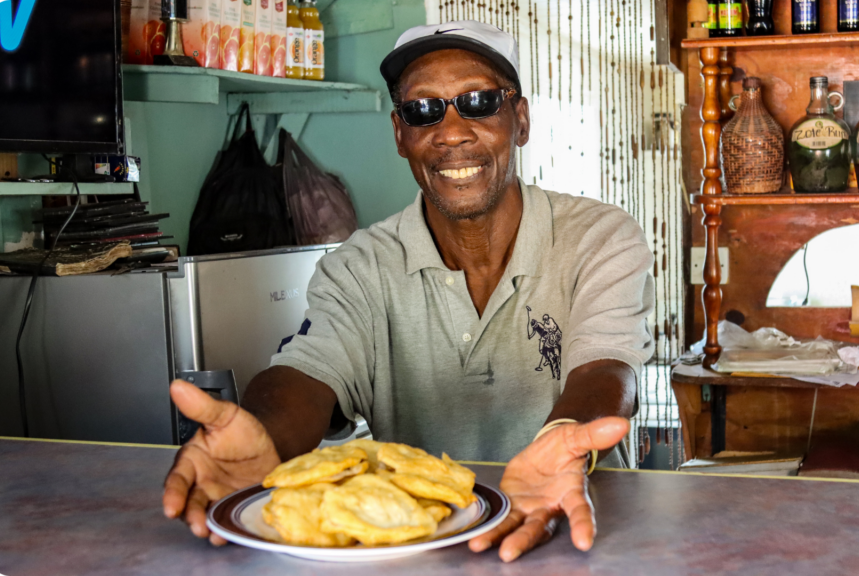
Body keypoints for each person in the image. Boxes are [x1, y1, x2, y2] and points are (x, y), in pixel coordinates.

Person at [162, 20, 655, 563]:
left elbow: (606, 370)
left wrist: (563, 440)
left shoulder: (600, 237)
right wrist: (262, 438)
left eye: (478, 102)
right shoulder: (358, 267)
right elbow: (308, 373)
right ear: (401, 135)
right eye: (423, 110)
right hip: (421, 548)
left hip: (581, 531)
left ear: (520, 119)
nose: (451, 132)